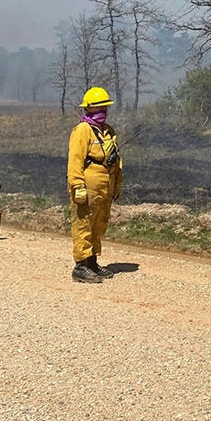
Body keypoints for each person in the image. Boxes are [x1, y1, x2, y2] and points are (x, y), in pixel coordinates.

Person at [67, 86, 123, 284]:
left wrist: (117, 184)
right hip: (88, 184)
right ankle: (80, 266)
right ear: (88, 108)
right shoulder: (82, 130)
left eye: (105, 107)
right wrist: (77, 186)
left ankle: (92, 262)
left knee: (99, 224)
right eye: (98, 107)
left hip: (106, 183)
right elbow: (75, 160)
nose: (102, 111)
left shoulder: (108, 131)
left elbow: (117, 160)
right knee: (83, 224)